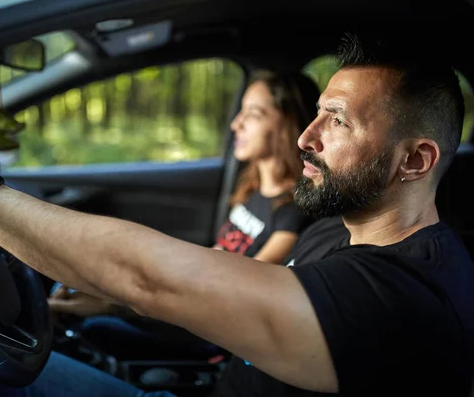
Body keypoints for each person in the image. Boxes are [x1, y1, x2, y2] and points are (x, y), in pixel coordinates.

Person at [0, 29, 474, 396]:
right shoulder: (334, 231)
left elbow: (154, 278)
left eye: (338, 121)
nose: (306, 137)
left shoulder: (406, 299)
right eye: (316, 113)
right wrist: (107, 303)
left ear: (415, 161)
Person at [47, 69, 320, 361]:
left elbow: (238, 297)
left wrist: (116, 302)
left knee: (93, 327)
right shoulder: (252, 191)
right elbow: (212, 260)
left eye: (252, 114)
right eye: (240, 112)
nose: (235, 123)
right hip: (194, 300)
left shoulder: (292, 212)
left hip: (210, 331)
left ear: (288, 122)